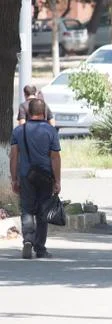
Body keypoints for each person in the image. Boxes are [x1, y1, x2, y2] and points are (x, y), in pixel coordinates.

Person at [10, 99, 61, 259]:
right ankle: (40, 248)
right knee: (42, 212)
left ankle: (27, 239)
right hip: (45, 176)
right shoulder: (51, 131)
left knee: (26, 209)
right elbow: (55, 157)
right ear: (44, 112)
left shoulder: (19, 131)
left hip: (26, 175)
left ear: (28, 112)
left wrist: (14, 179)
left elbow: (13, 157)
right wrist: (58, 180)